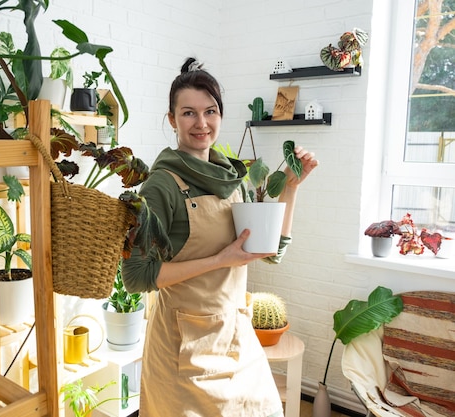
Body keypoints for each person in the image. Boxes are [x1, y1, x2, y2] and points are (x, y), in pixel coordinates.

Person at [121, 57, 319, 417]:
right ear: (172, 120)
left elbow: (269, 252)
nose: (201, 123)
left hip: (234, 333)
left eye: (210, 111)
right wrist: (219, 260)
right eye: (188, 113)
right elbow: (136, 277)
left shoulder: (233, 178)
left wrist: (291, 188)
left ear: (221, 116)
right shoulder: (161, 186)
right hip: (183, 348)